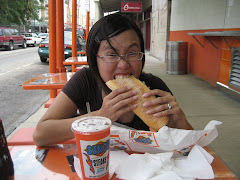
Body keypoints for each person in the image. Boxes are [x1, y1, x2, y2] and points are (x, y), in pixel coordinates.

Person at [33, 14, 192, 147]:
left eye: (132, 53)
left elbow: (190, 147)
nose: (123, 64)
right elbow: (40, 134)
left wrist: (180, 122)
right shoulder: (84, 81)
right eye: (111, 54)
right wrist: (100, 117)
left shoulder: (155, 87)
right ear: (96, 59)